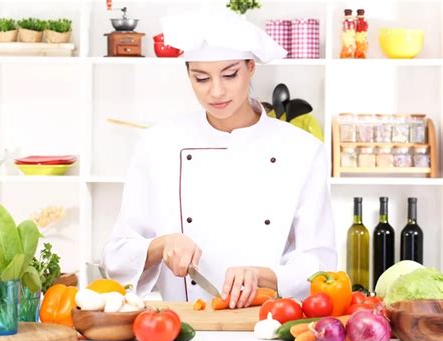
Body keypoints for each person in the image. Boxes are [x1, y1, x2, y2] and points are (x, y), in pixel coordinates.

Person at [103, 8, 336, 309]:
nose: (216, 91)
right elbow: (116, 257)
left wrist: (265, 276)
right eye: (201, 78)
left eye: (230, 74)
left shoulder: (302, 150)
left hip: (273, 325)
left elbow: (320, 263)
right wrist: (160, 246)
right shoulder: (159, 144)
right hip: (181, 327)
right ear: (187, 74)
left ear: (251, 67)